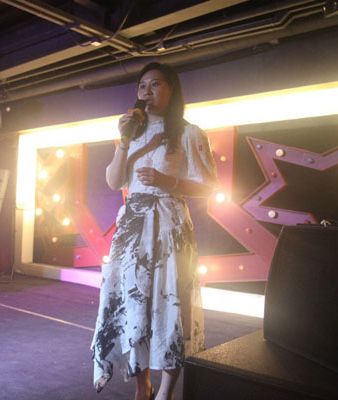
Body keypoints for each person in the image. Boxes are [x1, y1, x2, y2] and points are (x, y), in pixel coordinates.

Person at [90, 62, 219, 400]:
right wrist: (123, 140)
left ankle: (166, 391)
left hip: (169, 227)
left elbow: (209, 186)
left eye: (156, 84)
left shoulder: (189, 133)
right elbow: (114, 181)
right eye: (142, 85)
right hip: (133, 227)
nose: (147, 91)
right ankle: (142, 386)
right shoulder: (131, 133)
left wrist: (168, 181)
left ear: (172, 90)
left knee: (170, 303)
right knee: (134, 305)